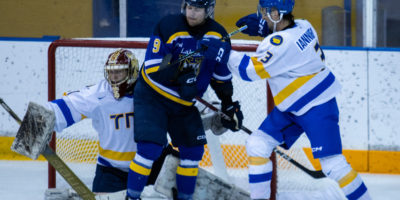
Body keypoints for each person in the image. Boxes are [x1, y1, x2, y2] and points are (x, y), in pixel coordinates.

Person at [205, 0, 371, 199]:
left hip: (317, 107)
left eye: (266, 12)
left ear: (277, 14)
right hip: (292, 106)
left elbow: (250, 70)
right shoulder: (304, 25)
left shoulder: (281, 44)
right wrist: (264, 29)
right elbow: (285, 43)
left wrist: (224, 53)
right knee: (258, 144)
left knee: (333, 164)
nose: (263, 16)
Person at [126, 0, 243, 199]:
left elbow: (220, 75)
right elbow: (155, 66)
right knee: (150, 148)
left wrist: (228, 104)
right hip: (153, 97)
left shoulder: (218, 35)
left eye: (197, 9)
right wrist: (181, 77)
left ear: (209, 10)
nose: (192, 13)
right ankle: (132, 196)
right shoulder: (168, 26)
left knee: (193, 151)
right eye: (189, 7)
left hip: (183, 104)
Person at [45, 49, 140, 193]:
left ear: (131, 71)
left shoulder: (148, 91)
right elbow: (69, 105)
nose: (113, 77)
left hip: (148, 167)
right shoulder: (100, 94)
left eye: (119, 72)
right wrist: (40, 119)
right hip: (111, 171)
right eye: (110, 72)